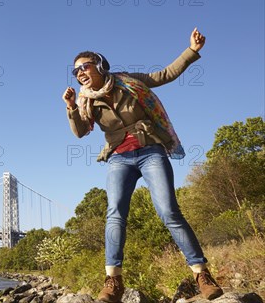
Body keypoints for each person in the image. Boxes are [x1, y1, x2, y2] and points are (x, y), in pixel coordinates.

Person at [62, 28, 223, 303]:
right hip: (118, 158)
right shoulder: (85, 100)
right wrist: (71, 108)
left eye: (84, 67)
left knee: (169, 211)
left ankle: (202, 275)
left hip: (150, 151)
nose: (80, 74)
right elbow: (80, 132)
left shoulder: (128, 81)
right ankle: (113, 281)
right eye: (75, 71)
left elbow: (163, 76)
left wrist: (192, 51)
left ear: (100, 66)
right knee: (115, 215)